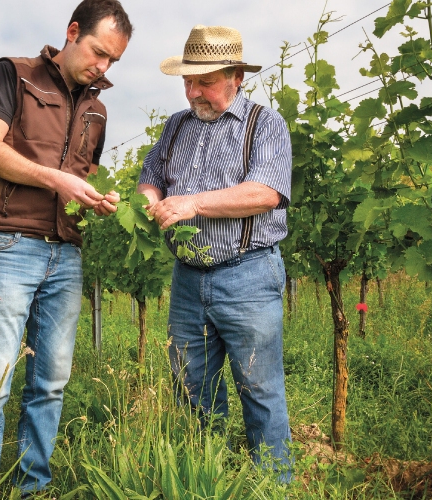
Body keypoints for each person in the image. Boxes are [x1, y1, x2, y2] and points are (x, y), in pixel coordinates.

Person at [0, 2, 132, 498]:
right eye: (99, 53)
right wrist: (56, 179)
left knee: (50, 382)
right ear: (73, 32)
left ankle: (34, 486)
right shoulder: (15, 74)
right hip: (9, 241)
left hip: (66, 254)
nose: (103, 67)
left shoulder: (97, 109)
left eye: (113, 61)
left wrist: (98, 199)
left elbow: (85, 175)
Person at [137, 25, 294, 478]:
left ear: (236, 78)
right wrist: (149, 198)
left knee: (259, 387)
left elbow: (265, 193)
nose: (193, 92)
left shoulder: (265, 124)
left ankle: (275, 483)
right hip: (187, 280)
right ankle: (207, 475)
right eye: (188, 81)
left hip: (248, 274)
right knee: (192, 388)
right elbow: (152, 173)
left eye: (204, 81)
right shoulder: (177, 126)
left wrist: (194, 202)